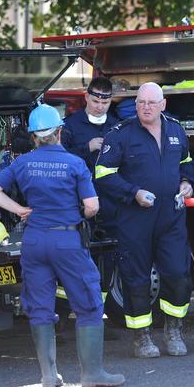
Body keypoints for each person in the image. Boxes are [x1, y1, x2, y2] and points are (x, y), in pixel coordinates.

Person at [0, 104, 124, 387]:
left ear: (34, 137)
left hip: (34, 240)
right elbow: (92, 206)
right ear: (59, 132)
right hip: (66, 239)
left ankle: (48, 376)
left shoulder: (22, 163)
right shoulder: (75, 163)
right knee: (88, 304)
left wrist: (20, 209)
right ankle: (92, 375)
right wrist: (81, 213)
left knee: (40, 307)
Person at [94, 82, 194, 358]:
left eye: (151, 102)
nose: (146, 107)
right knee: (136, 278)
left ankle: (173, 330)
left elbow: (186, 162)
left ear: (163, 105)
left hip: (171, 217)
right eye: (141, 102)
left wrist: (187, 182)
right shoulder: (121, 134)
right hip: (135, 217)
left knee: (177, 273)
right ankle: (141, 338)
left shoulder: (175, 129)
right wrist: (133, 192)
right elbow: (102, 174)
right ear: (135, 104)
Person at [62, 76, 120, 300]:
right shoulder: (70, 126)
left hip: (109, 204)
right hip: (78, 205)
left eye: (105, 103)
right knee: (76, 259)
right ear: (86, 97)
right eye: (96, 101)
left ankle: (99, 312)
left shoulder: (116, 127)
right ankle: (72, 313)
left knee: (107, 260)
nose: (99, 107)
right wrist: (86, 147)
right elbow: (61, 160)